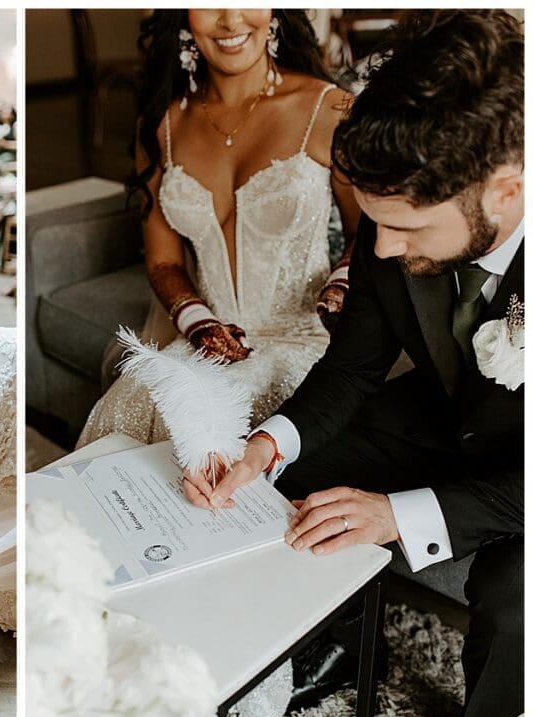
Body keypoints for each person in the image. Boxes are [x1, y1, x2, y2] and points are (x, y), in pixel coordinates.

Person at [182, 11, 522, 717]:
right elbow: (352, 365)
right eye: (376, 226)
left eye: (409, 229)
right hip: (443, 418)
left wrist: (395, 514)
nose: (385, 249)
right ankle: (320, 641)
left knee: (514, 599)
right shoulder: (389, 215)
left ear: (504, 189)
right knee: (287, 477)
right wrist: (262, 448)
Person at [78, 10, 360, 448]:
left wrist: (341, 285)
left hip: (305, 344)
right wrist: (200, 325)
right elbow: (164, 259)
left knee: (214, 440)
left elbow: (372, 231)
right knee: (132, 414)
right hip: (205, 345)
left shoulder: (330, 109)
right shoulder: (161, 127)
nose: (230, 19)